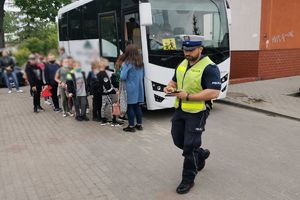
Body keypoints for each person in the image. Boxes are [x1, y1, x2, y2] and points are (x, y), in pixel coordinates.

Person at [163, 35, 221, 194]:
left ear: (200, 49)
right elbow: (174, 81)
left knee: (189, 146)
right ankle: (200, 154)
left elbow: (214, 92)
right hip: (180, 109)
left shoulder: (209, 67)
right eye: (185, 50)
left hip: (198, 111)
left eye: (191, 50)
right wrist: (169, 87)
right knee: (177, 139)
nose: (187, 53)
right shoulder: (182, 64)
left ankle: (188, 179)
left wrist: (188, 96)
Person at [120, 44, 144, 132]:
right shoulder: (140, 62)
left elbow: (122, 76)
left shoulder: (127, 63)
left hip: (130, 88)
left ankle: (131, 126)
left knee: (130, 107)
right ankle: (139, 125)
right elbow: (143, 75)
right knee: (137, 106)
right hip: (139, 88)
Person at [97, 57, 123, 126]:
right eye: (106, 63)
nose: (107, 64)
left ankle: (103, 120)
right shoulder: (103, 74)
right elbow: (107, 86)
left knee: (104, 106)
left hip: (103, 93)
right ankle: (114, 121)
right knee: (112, 105)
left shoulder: (99, 73)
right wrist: (115, 92)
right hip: (106, 93)